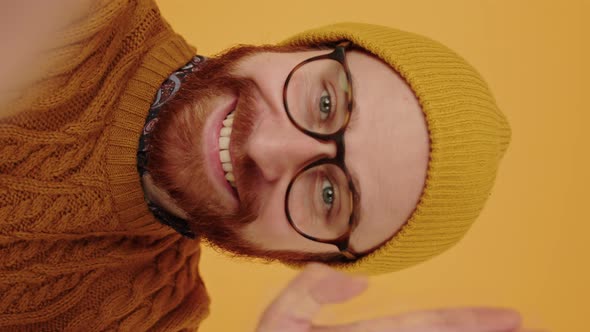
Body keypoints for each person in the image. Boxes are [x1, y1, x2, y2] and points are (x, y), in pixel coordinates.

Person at [0, 0, 516, 331]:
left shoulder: (147, 318)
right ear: (301, 48)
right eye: (325, 104)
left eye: (329, 196)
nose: (268, 149)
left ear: (302, 256)